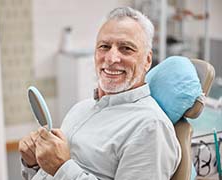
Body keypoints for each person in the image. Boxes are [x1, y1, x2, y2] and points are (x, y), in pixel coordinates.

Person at [19, 6, 181, 180]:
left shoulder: (150, 127)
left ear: (148, 60)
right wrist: (33, 164)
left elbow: (60, 170)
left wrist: (62, 168)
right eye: (104, 46)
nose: (111, 58)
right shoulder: (80, 109)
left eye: (126, 48)